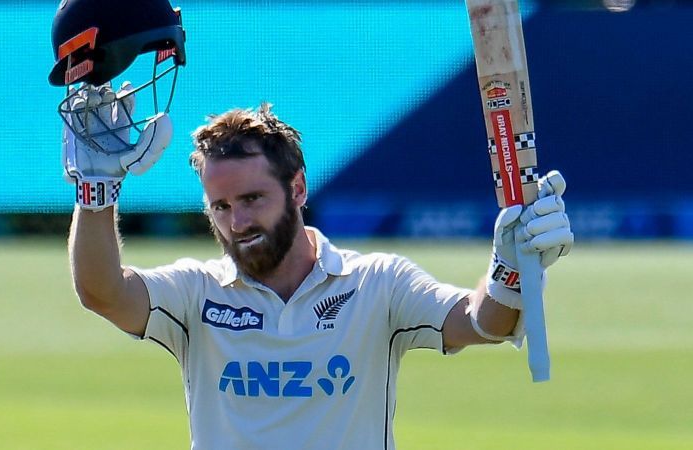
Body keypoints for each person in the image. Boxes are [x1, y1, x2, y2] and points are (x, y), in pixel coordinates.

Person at [63, 89, 574, 447]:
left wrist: (509, 267)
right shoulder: (198, 293)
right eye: (220, 206)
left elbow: (484, 323)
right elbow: (103, 292)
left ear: (298, 189)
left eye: (252, 199)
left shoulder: (376, 283)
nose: (237, 221)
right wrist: (95, 193)